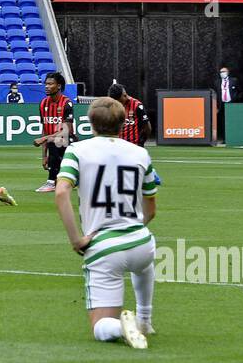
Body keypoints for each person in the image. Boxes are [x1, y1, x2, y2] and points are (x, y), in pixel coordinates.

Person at [52, 97, 161, 347]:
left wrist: (77, 239)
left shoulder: (77, 151)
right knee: (143, 265)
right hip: (141, 242)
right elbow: (151, 208)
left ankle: (124, 325)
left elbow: (61, 193)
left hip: (104, 247)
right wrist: (132, 228)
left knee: (101, 327)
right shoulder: (141, 153)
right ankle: (145, 317)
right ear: (124, 123)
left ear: (90, 122)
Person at [33, 72, 76, 193]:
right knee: (52, 141)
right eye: (46, 84)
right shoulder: (43, 103)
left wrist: (45, 139)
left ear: (59, 86)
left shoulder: (67, 103)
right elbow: (45, 129)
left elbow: (66, 130)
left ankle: (51, 182)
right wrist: (44, 156)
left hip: (69, 141)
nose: (47, 86)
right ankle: (69, 179)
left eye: (50, 84)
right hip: (53, 143)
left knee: (54, 140)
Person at [216, 65, 240, 142]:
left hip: (231, 103)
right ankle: (224, 138)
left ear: (228, 72)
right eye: (221, 72)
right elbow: (216, 94)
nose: (222, 73)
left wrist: (235, 99)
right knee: (223, 122)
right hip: (222, 104)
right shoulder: (217, 82)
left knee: (232, 121)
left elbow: (240, 91)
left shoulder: (234, 80)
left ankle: (233, 137)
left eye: (224, 71)